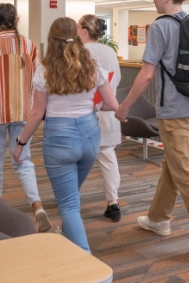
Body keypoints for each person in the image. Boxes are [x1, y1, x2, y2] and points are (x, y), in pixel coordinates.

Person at [115, 0, 189, 262]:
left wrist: (125, 106)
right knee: (175, 164)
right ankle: (158, 219)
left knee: (187, 171)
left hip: (174, 111)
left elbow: (147, 74)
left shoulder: (160, 27)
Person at [12, 17, 118, 253]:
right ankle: (70, 239)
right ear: (78, 36)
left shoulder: (45, 71)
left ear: (52, 40)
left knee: (68, 204)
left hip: (60, 139)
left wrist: (20, 143)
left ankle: (85, 260)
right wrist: (93, 106)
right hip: (90, 137)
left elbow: (37, 113)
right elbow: (111, 104)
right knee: (70, 198)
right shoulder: (93, 67)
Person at [0, 3, 51, 233]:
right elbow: (39, 78)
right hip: (24, 113)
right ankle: (37, 206)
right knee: (23, 162)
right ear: (17, 19)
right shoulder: (29, 45)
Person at [78, 14, 123, 222]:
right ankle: (113, 203)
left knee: (76, 158)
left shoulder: (79, 52)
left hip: (83, 113)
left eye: (78, 27)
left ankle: (70, 199)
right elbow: (117, 79)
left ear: (84, 31)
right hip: (108, 111)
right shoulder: (110, 52)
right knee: (107, 157)